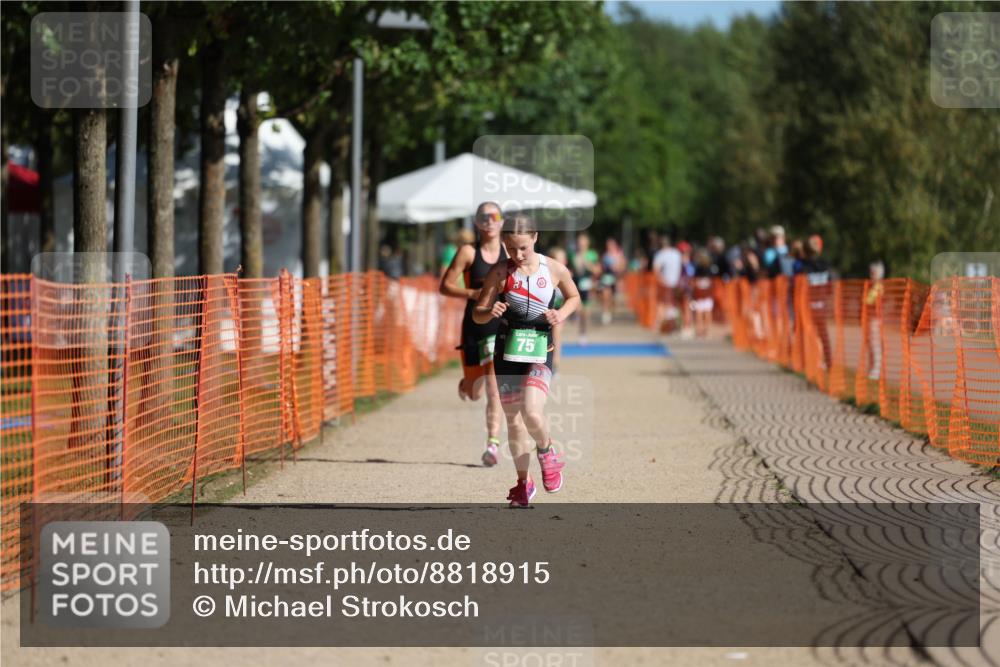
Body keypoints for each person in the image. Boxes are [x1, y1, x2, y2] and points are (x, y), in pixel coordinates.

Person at [473, 215, 581, 508]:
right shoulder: (500, 272)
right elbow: (477, 313)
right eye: (510, 249)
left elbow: (574, 297)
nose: (517, 255)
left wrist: (561, 314)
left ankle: (547, 452)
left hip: (539, 350)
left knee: (532, 411)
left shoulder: (554, 268)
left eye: (522, 248)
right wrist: (489, 310)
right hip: (507, 351)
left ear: (535, 238)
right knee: (514, 421)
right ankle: (524, 483)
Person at [439, 203, 507, 467]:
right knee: (475, 391)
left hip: (499, 325)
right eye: (484, 217)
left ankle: (493, 444)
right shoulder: (468, 253)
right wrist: (472, 294)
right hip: (474, 325)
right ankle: (466, 384)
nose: (490, 221)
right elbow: (444, 286)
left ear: (502, 221)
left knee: (494, 387)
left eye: (495, 216)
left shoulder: (509, 252)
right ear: (477, 223)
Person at [799, 234, 833, 369]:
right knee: (823, 333)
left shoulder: (802, 267)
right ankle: (828, 360)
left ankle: (812, 360)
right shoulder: (825, 266)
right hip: (822, 305)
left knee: (809, 334)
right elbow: (830, 286)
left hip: (807, 306)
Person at [569, 233, 601, 344]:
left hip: (588, 286)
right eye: (579, 242)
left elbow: (597, 270)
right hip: (576, 285)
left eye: (583, 241)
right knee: (579, 308)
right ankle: (574, 315)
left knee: (586, 313)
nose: (581, 244)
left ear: (587, 243)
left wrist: (587, 263)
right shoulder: (573, 255)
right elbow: (570, 270)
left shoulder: (592, 255)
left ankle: (583, 334)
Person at [652, 236, 682, 334]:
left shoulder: (661, 254)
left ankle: (662, 325)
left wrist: (662, 281)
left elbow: (656, 270)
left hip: (665, 284)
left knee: (663, 304)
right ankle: (673, 325)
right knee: (673, 304)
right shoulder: (677, 253)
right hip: (677, 283)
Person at [865, 261, 885, 381]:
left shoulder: (878, 286)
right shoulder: (873, 286)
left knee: (875, 344)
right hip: (870, 319)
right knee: (871, 344)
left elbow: (868, 301)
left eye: (873, 273)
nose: (871, 275)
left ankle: (876, 369)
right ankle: (873, 367)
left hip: (875, 319)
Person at [599, 238, 626, 325]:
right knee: (606, 294)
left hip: (616, 279)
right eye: (608, 245)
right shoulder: (605, 256)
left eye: (611, 245)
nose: (609, 247)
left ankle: (610, 310)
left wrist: (618, 267)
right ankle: (605, 312)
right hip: (607, 277)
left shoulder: (619, 255)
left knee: (612, 298)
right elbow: (601, 267)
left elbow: (623, 267)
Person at [690, 248, 714, 338]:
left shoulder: (698, 268)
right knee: (706, 311)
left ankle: (700, 330)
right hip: (705, 293)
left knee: (700, 311)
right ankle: (705, 330)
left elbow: (695, 280)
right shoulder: (709, 268)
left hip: (701, 292)